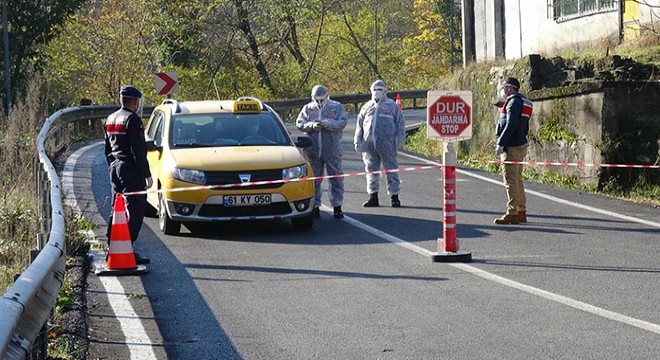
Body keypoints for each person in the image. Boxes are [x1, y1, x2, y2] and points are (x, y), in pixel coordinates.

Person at [104, 85, 152, 264]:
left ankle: (113, 244)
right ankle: (127, 246)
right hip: (131, 170)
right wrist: (146, 173)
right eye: (138, 101)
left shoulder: (110, 118)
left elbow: (107, 149)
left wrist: (113, 165)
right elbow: (138, 150)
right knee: (135, 208)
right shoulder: (132, 119)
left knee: (117, 207)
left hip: (115, 167)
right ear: (134, 101)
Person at [296, 85, 348, 219]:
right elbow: (300, 123)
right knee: (314, 180)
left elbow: (342, 122)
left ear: (327, 96)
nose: (319, 102)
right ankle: (315, 206)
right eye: (316, 99)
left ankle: (337, 206)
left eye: (321, 99)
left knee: (336, 177)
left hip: (332, 149)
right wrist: (312, 126)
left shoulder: (336, 107)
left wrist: (327, 123)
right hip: (312, 150)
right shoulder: (308, 108)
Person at [354, 79, 406, 207]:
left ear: (385, 91)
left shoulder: (392, 105)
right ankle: (373, 196)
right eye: (375, 90)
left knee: (391, 169)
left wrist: (400, 139)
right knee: (371, 170)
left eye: (380, 90)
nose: (377, 92)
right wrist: (358, 140)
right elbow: (359, 125)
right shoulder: (366, 107)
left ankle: (395, 196)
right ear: (371, 91)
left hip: (388, 143)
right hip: (369, 144)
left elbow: (400, 124)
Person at [494, 77, 533, 224]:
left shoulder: (513, 102)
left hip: (511, 146)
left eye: (505, 88)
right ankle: (521, 210)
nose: (503, 91)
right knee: (518, 180)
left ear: (510, 88)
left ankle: (512, 212)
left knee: (510, 180)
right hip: (520, 144)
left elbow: (510, 124)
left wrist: (501, 142)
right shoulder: (524, 101)